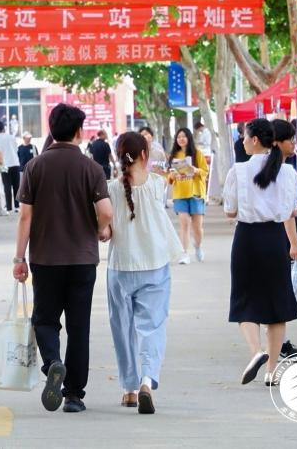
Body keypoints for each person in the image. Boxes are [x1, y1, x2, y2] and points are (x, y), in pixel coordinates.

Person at [13, 103, 112, 414]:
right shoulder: (92, 168)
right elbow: (107, 211)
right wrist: (98, 229)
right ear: (79, 131)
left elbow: (25, 217)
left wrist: (19, 258)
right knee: (79, 327)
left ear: (51, 129)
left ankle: (53, 362)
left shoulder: (35, 166)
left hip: (45, 259)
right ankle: (74, 395)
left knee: (44, 320)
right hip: (82, 259)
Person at [103, 131, 181, 414]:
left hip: (120, 267)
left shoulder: (110, 189)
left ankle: (129, 389)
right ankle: (147, 380)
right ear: (144, 155)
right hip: (155, 264)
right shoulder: (158, 184)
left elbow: (104, 227)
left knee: (122, 328)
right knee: (152, 326)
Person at [224, 118, 297, 387]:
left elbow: (230, 211)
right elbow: (293, 210)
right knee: (277, 305)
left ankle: (257, 352)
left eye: (245, 137)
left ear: (255, 139)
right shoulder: (288, 172)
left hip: (246, 238)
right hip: (275, 239)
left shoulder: (238, 171)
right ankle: (272, 371)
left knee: (244, 299)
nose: (243, 141)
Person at [271, 119, 297, 359]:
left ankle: (277, 343)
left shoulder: (281, 170)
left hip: (264, 238)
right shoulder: (285, 173)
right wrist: (294, 242)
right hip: (280, 238)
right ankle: (278, 344)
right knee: (282, 292)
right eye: (289, 139)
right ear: (276, 142)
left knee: (279, 291)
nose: (294, 143)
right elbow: (288, 211)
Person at [166, 127, 209, 265]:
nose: (181, 139)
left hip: (196, 193)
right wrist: (173, 175)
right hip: (180, 194)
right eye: (179, 137)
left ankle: (198, 246)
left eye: (184, 136)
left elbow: (205, 172)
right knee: (184, 224)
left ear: (189, 138)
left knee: (197, 227)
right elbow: (169, 176)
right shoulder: (174, 155)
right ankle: (184, 253)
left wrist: (195, 170)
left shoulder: (197, 154)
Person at [0, 120, 22, 212]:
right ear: (3, 127)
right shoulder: (11, 137)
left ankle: (8, 207)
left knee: (6, 186)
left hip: (3, 164)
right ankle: (17, 206)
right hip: (14, 162)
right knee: (16, 185)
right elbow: (16, 149)